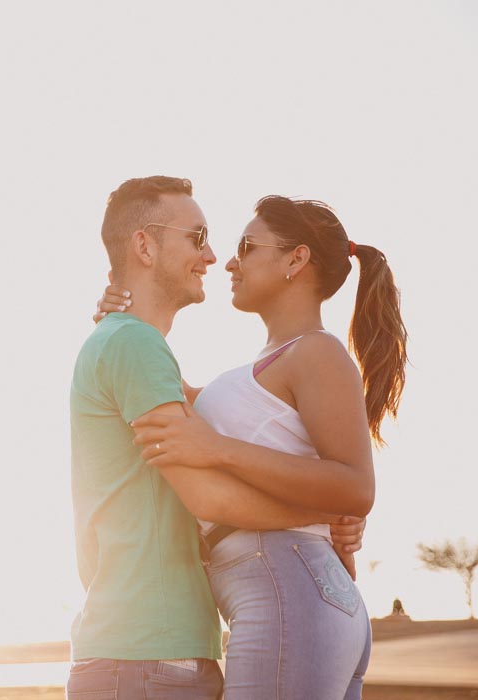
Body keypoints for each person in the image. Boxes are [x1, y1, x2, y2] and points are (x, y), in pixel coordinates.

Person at [95, 195, 407, 699]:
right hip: (292, 591)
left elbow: (355, 488)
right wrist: (123, 315)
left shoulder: (317, 352)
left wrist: (219, 450)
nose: (229, 262)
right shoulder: (265, 366)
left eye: (246, 247)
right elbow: (165, 390)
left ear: (296, 259)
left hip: (288, 589)